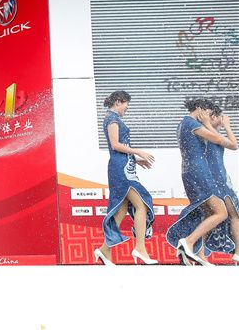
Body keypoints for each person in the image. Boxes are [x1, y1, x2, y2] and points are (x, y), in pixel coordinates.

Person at [167, 98, 235, 266]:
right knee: (222, 213)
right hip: (199, 172)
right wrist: (210, 124)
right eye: (206, 112)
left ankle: (200, 254)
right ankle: (188, 242)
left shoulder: (183, 123)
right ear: (199, 108)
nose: (207, 116)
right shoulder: (192, 124)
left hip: (189, 171)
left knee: (209, 213)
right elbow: (220, 140)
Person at [93, 91, 157, 265]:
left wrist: (135, 160)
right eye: (126, 105)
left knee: (121, 210)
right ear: (118, 102)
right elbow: (115, 145)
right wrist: (138, 151)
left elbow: (119, 148)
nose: (126, 108)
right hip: (121, 169)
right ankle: (140, 248)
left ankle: (105, 250)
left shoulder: (112, 118)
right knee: (142, 205)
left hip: (124, 166)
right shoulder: (112, 119)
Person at [202, 104, 239, 263]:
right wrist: (227, 126)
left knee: (210, 216)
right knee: (234, 214)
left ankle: (199, 252)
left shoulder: (208, 132)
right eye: (220, 117)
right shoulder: (209, 133)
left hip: (213, 177)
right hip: (217, 179)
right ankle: (238, 252)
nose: (222, 119)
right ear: (213, 117)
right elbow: (234, 145)